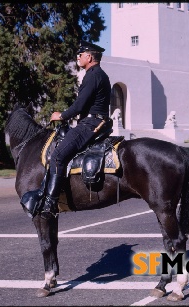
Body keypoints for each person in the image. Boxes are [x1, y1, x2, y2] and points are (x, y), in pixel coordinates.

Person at [41, 40, 111, 220]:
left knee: (57, 156)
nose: (77, 57)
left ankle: (50, 203)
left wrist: (61, 115)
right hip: (97, 122)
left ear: (89, 56)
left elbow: (80, 105)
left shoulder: (92, 75)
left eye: (80, 54)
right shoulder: (99, 74)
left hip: (89, 124)